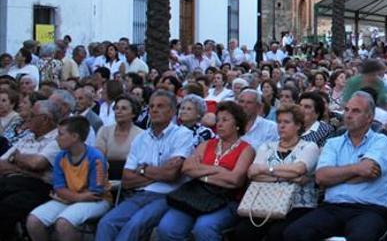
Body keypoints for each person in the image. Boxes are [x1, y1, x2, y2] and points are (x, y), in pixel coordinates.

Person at [281, 91, 387, 241]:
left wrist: (336, 175)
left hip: (369, 210)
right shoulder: (333, 143)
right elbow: (321, 177)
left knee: (360, 238)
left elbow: (368, 169)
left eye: (356, 111)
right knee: (294, 233)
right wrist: (356, 169)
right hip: (332, 208)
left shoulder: (381, 141)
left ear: (369, 117)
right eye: (346, 109)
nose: (348, 115)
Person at [95, 90, 195, 241]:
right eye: (151, 106)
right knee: (106, 222)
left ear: (173, 111)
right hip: (139, 194)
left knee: (134, 226)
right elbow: (127, 179)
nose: (154, 110)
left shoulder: (183, 135)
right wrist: (160, 172)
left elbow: (171, 175)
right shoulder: (140, 138)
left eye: (160, 106)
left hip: (167, 195)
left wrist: (142, 169)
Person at [155, 101, 255, 241]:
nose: (219, 124)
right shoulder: (206, 144)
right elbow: (187, 169)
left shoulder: (246, 149)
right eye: (218, 120)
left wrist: (201, 172)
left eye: (225, 120)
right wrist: (218, 170)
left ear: (237, 124)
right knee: (167, 228)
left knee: (204, 228)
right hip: (196, 195)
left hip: (226, 199)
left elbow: (235, 180)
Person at [232, 103, 320, 241]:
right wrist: (289, 177)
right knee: (243, 231)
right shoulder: (266, 147)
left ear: (298, 125)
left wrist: (266, 169)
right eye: (279, 122)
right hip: (264, 202)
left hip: (297, 205)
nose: (281, 126)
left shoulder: (309, 147)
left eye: (286, 122)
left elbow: (299, 169)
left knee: (278, 233)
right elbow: (253, 174)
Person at [26, 116, 111, 241]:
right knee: (34, 221)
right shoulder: (61, 157)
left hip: (98, 201)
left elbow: (95, 193)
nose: (56, 138)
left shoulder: (96, 157)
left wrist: (68, 197)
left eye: (60, 134)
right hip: (72, 198)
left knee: (64, 223)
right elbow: (59, 187)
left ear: (75, 137)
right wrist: (76, 197)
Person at [0, 100, 63, 239]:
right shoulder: (28, 136)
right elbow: (1, 164)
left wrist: (16, 157)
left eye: (32, 115)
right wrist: (23, 168)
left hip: (39, 187)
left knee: (7, 207)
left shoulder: (58, 139)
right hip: (13, 182)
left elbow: (37, 164)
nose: (27, 118)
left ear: (44, 119)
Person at [94, 94, 143, 176]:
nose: (118, 111)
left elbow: (140, 163)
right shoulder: (104, 131)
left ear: (133, 113)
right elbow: (99, 158)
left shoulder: (141, 134)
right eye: (116, 108)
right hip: (106, 176)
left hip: (131, 177)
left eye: (123, 108)